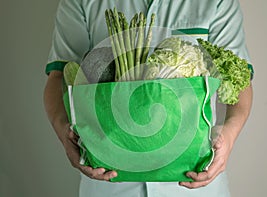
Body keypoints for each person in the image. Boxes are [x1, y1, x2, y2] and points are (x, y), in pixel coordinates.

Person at [44, 0, 253, 196]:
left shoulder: (217, 2)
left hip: (194, 184)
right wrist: (64, 132)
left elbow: (239, 79)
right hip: (108, 183)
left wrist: (229, 135)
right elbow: (59, 75)